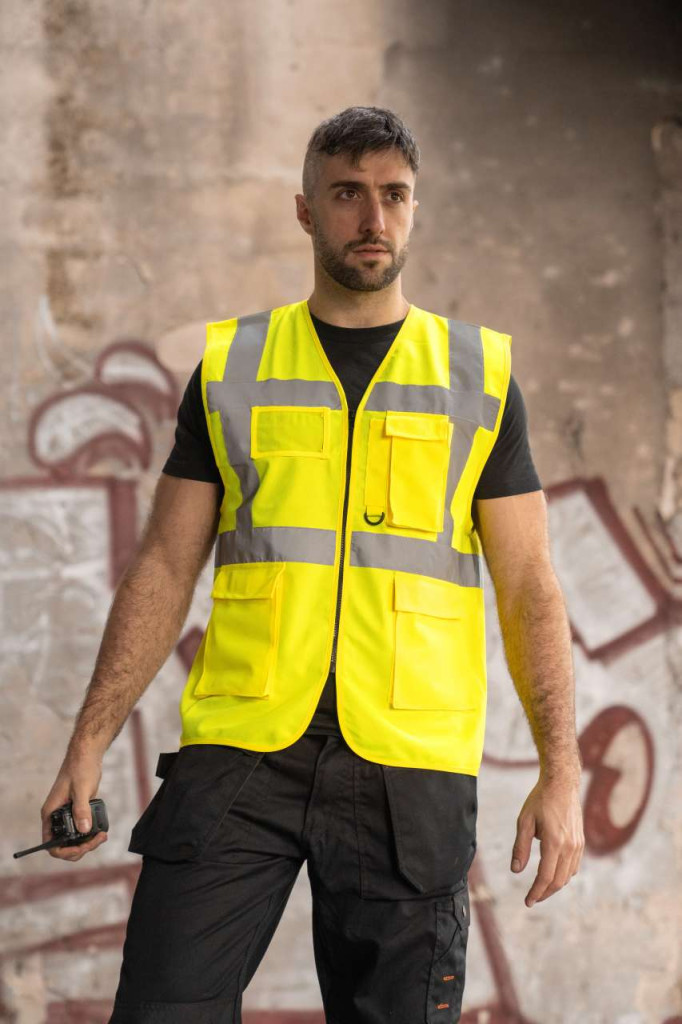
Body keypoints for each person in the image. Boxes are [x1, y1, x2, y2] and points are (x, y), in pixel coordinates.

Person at [41, 106, 584, 1024]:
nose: (373, 219)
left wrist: (560, 771)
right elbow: (165, 564)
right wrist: (88, 742)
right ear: (305, 210)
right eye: (347, 194)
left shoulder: (478, 375)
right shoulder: (233, 366)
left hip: (408, 759)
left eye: (393, 196)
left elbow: (531, 582)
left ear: (414, 209)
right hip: (245, 747)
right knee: (163, 1008)